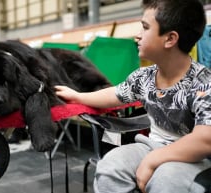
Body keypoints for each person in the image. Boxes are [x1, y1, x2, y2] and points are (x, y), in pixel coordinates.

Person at [55, 0, 211, 192]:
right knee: (110, 166)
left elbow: (205, 140)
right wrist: (78, 96)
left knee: (167, 179)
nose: (137, 35)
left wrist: (153, 161)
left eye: (145, 28)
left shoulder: (204, 83)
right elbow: (114, 94)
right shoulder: (144, 77)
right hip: (150, 146)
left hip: (196, 158)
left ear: (170, 39)